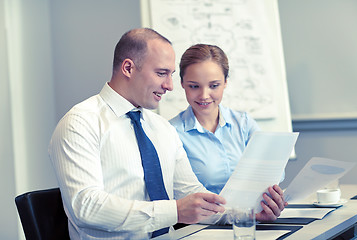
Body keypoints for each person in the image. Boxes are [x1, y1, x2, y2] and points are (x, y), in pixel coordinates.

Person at [48, 28, 226, 240]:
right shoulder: (80, 123)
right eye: (161, 73)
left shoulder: (162, 128)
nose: (169, 86)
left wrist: (246, 214)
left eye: (171, 75)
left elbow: (191, 193)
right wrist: (174, 211)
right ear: (128, 68)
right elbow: (87, 207)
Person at [169, 43, 287, 222]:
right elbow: (184, 198)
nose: (204, 95)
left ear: (225, 82)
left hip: (253, 221)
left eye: (214, 85)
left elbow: (275, 171)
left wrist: (271, 197)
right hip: (202, 230)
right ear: (182, 84)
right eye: (194, 86)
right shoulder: (171, 133)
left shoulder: (244, 123)